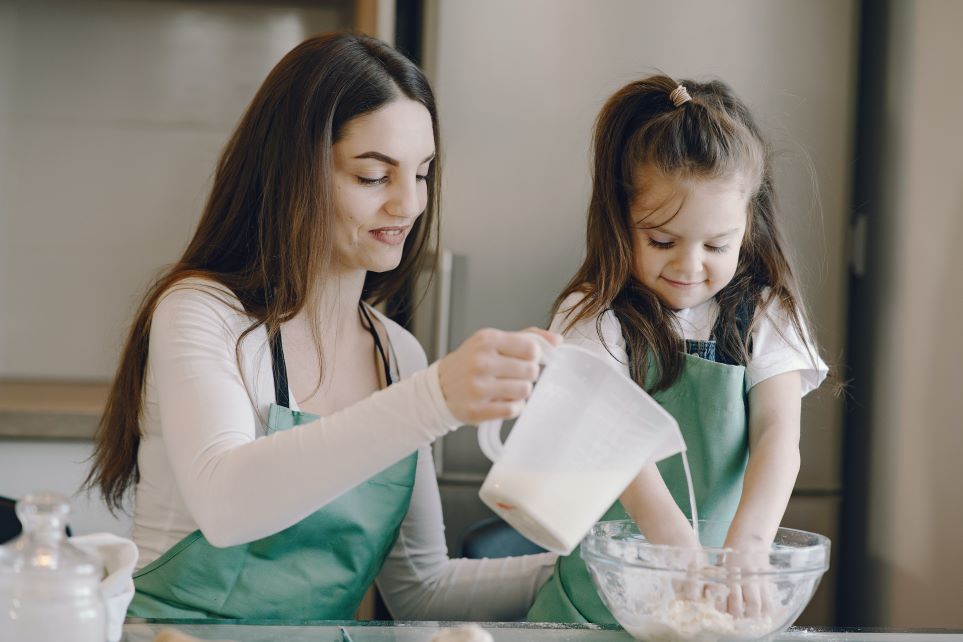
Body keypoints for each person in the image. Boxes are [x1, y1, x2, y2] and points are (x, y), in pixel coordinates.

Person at [83, 32, 561, 621]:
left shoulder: (397, 354)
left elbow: (421, 590)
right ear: (293, 173)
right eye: (372, 176)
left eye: (422, 174)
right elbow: (228, 503)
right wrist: (433, 400)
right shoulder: (203, 312)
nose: (409, 205)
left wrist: (587, 569)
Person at [526, 75, 828, 624]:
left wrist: (749, 547)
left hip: (717, 599)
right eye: (662, 241)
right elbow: (614, 446)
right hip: (595, 608)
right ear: (621, 220)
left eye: (717, 245)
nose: (690, 266)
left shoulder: (765, 313)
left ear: (748, 228)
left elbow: (777, 434)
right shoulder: (592, 315)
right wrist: (675, 552)